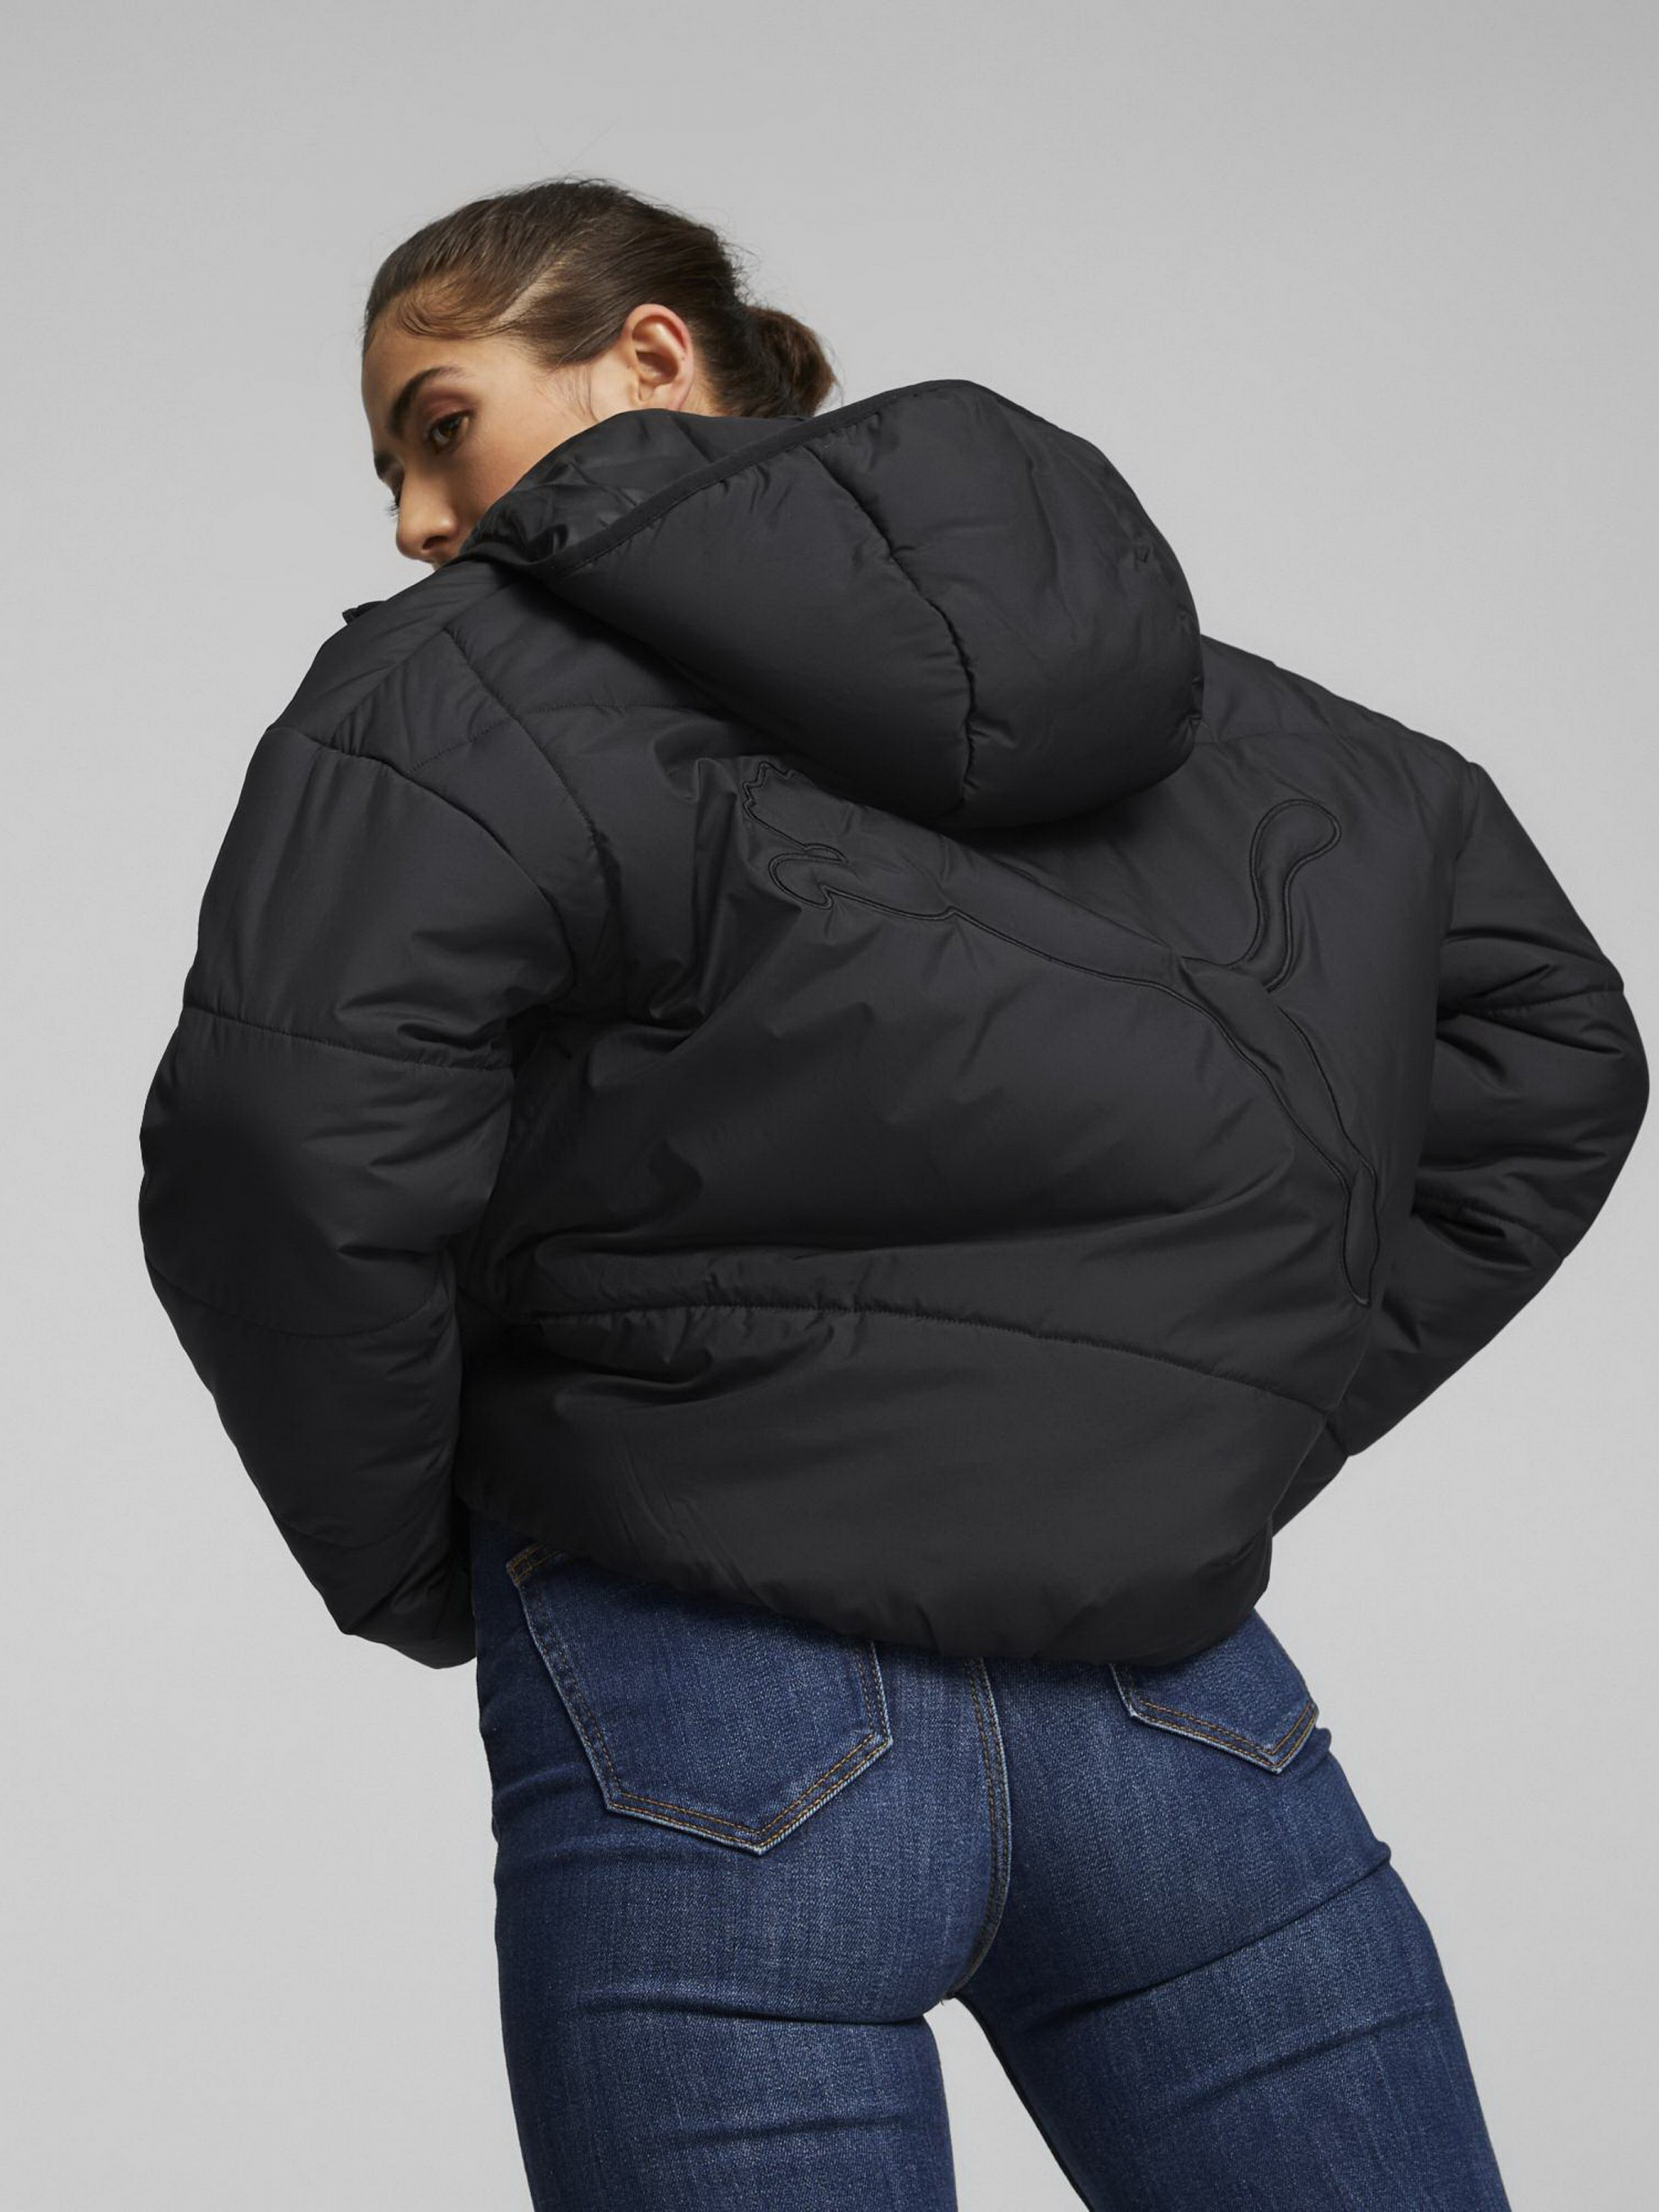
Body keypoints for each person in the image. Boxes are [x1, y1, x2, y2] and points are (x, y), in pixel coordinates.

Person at [136, 175, 1648, 2209]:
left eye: (440, 424)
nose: (416, 517)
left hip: (696, 1666)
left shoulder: (452, 691)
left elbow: (278, 1143)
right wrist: (1177, 1417)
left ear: (645, 359)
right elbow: (1543, 1051)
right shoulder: (1258, 733)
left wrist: (419, 1555)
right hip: (1171, 1694)